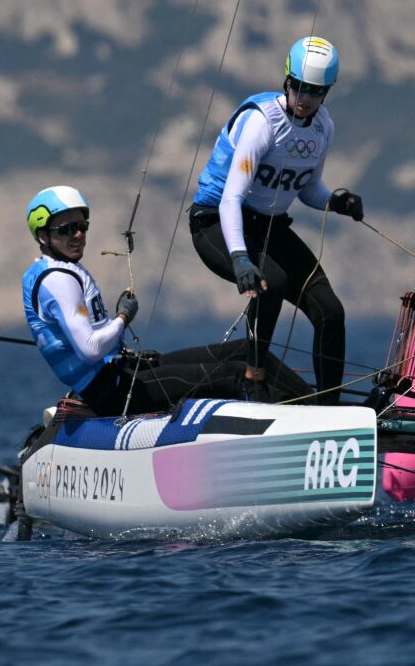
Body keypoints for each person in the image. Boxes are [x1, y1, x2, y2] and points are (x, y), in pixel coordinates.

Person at [23, 185, 303, 417]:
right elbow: (90, 348)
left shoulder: (60, 269)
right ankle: (301, 422)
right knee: (235, 374)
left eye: (82, 226)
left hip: (123, 371)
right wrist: (123, 318)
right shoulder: (56, 280)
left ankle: (317, 406)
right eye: (66, 229)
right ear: (43, 236)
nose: (78, 235)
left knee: (245, 351)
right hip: (113, 391)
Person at [189, 36, 364, 396]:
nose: (304, 98)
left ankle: (329, 409)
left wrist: (337, 201)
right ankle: (254, 378)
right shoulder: (262, 123)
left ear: (327, 92)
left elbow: (308, 189)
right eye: (298, 87)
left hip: (269, 226)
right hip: (216, 221)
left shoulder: (322, 128)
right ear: (287, 81)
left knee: (331, 311)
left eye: (314, 91)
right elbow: (231, 198)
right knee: (272, 280)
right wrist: (239, 258)